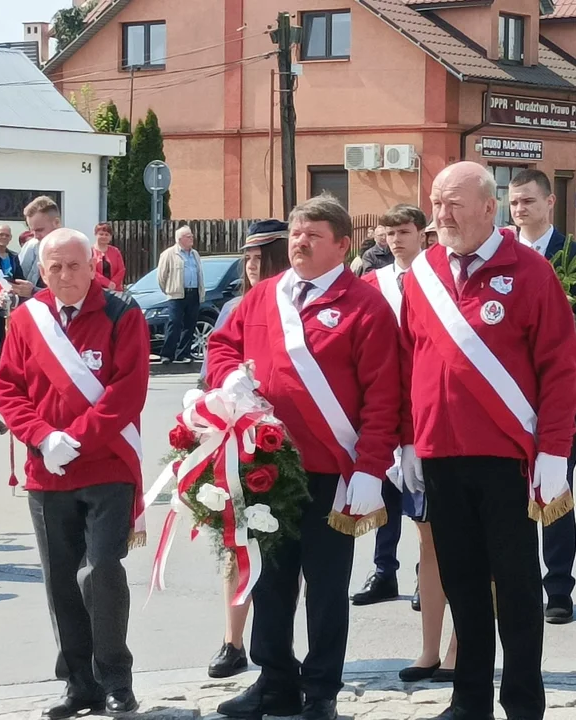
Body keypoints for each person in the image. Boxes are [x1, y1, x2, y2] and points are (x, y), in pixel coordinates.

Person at [208, 194, 400, 720]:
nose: (300, 242)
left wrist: (370, 470)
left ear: (341, 245)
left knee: (326, 586)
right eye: (296, 234)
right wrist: (229, 379)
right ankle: (275, 681)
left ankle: (321, 691)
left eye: (313, 235)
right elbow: (222, 345)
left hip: (333, 471)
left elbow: (385, 397)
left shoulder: (366, 306)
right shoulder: (265, 295)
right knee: (270, 580)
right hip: (269, 466)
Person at [400, 161, 576, 720]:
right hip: (440, 453)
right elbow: (409, 360)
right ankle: (469, 698)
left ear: (488, 207)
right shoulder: (423, 273)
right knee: (463, 582)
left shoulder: (528, 271)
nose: (441, 214)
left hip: (507, 458)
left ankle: (524, 701)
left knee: (519, 587)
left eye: (453, 203)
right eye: (435, 202)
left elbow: (559, 366)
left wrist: (553, 450)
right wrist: (406, 442)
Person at [0, 228, 150, 719]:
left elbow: (127, 392)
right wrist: (41, 437)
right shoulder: (26, 319)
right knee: (61, 580)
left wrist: (75, 439)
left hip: (107, 467)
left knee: (101, 572)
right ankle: (79, 685)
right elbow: (7, 387)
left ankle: (115, 680)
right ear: (42, 270)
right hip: (47, 473)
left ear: (93, 265)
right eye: (55, 267)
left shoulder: (123, 314)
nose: (65, 275)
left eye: (74, 266)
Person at [509, 168, 576, 624]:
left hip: (561, 392)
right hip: (510, 393)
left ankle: (558, 591)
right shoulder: (502, 253)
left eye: (528, 202)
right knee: (509, 495)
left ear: (550, 203)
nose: (519, 210)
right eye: (513, 202)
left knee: (556, 489)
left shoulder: (574, 254)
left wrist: (562, 334)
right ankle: (515, 585)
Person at [354, 204, 458, 682]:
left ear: (423, 234)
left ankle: (462, 648)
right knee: (419, 529)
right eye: (388, 232)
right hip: (395, 421)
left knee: (459, 541)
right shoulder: (372, 284)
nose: (395, 239)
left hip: (443, 419)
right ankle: (428, 647)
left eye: (404, 231)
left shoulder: (438, 276)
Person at [200, 219, 291, 680]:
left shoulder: (290, 301)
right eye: (248, 260)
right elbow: (211, 369)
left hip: (284, 444)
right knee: (238, 543)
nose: (253, 267)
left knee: (282, 554)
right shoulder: (234, 305)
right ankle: (232, 640)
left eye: (262, 259)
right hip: (238, 442)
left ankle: (281, 650)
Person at [0, 224, 33, 395]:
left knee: (6, 345)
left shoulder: (13, 256)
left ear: (10, 238)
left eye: (6, 235)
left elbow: (20, 278)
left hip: (12, 305)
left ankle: (2, 380)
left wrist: (19, 291)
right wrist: (10, 289)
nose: (3, 237)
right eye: (0, 234)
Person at [157, 226, 205, 364]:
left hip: (193, 293)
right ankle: (167, 354)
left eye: (191, 236)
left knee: (190, 325)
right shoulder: (169, 254)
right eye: (188, 236)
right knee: (174, 323)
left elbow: (199, 273)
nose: (192, 238)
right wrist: (169, 290)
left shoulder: (195, 254)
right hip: (176, 294)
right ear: (179, 239)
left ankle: (183, 353)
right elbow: (161, 276)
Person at [20, 196, 62, 288]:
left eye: (39, 230)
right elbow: (19, 279)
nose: (35, 236)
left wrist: (33, 291)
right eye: (32, 230)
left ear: (57, 223)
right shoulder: (31, 246)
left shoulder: (75, 249)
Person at [92, 223, 126, 292]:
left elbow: (121, 270)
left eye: (107, 234)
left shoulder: (115, 251)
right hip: (96, 291)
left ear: (110, 237)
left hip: (115, 290)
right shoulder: (90, 252)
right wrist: (107, 283)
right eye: (101, 234)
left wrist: (113, 283)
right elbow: (91, 271)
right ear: (95, 235)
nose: (104, 237)